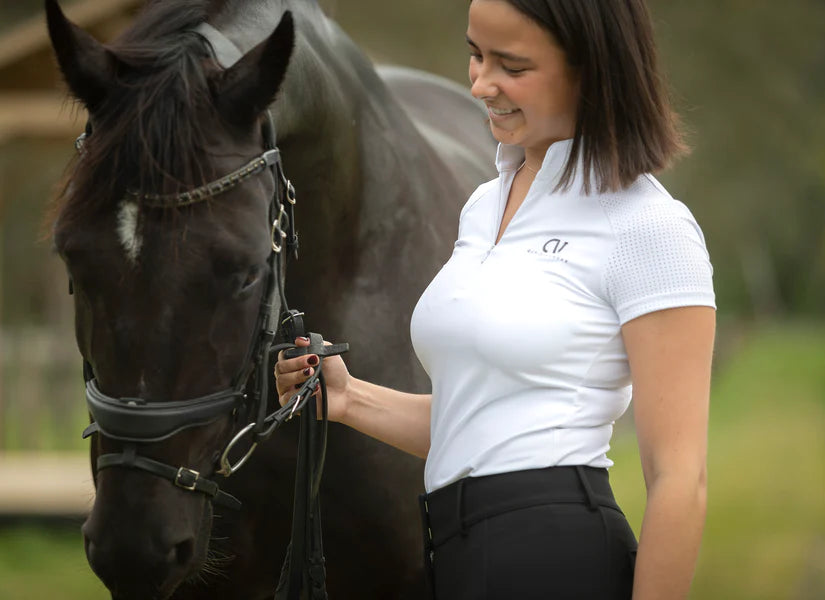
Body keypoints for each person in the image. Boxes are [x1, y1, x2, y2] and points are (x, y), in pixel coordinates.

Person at [275, 0, 716, 598]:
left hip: (556, 556)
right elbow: (479, 423)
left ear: (592, 66)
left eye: (511, 65)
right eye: (475, 55)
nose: (481, 84)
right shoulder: (485, 206)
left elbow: (678, 478)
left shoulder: (647, 226)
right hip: (453, 551)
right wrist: (351, 400)